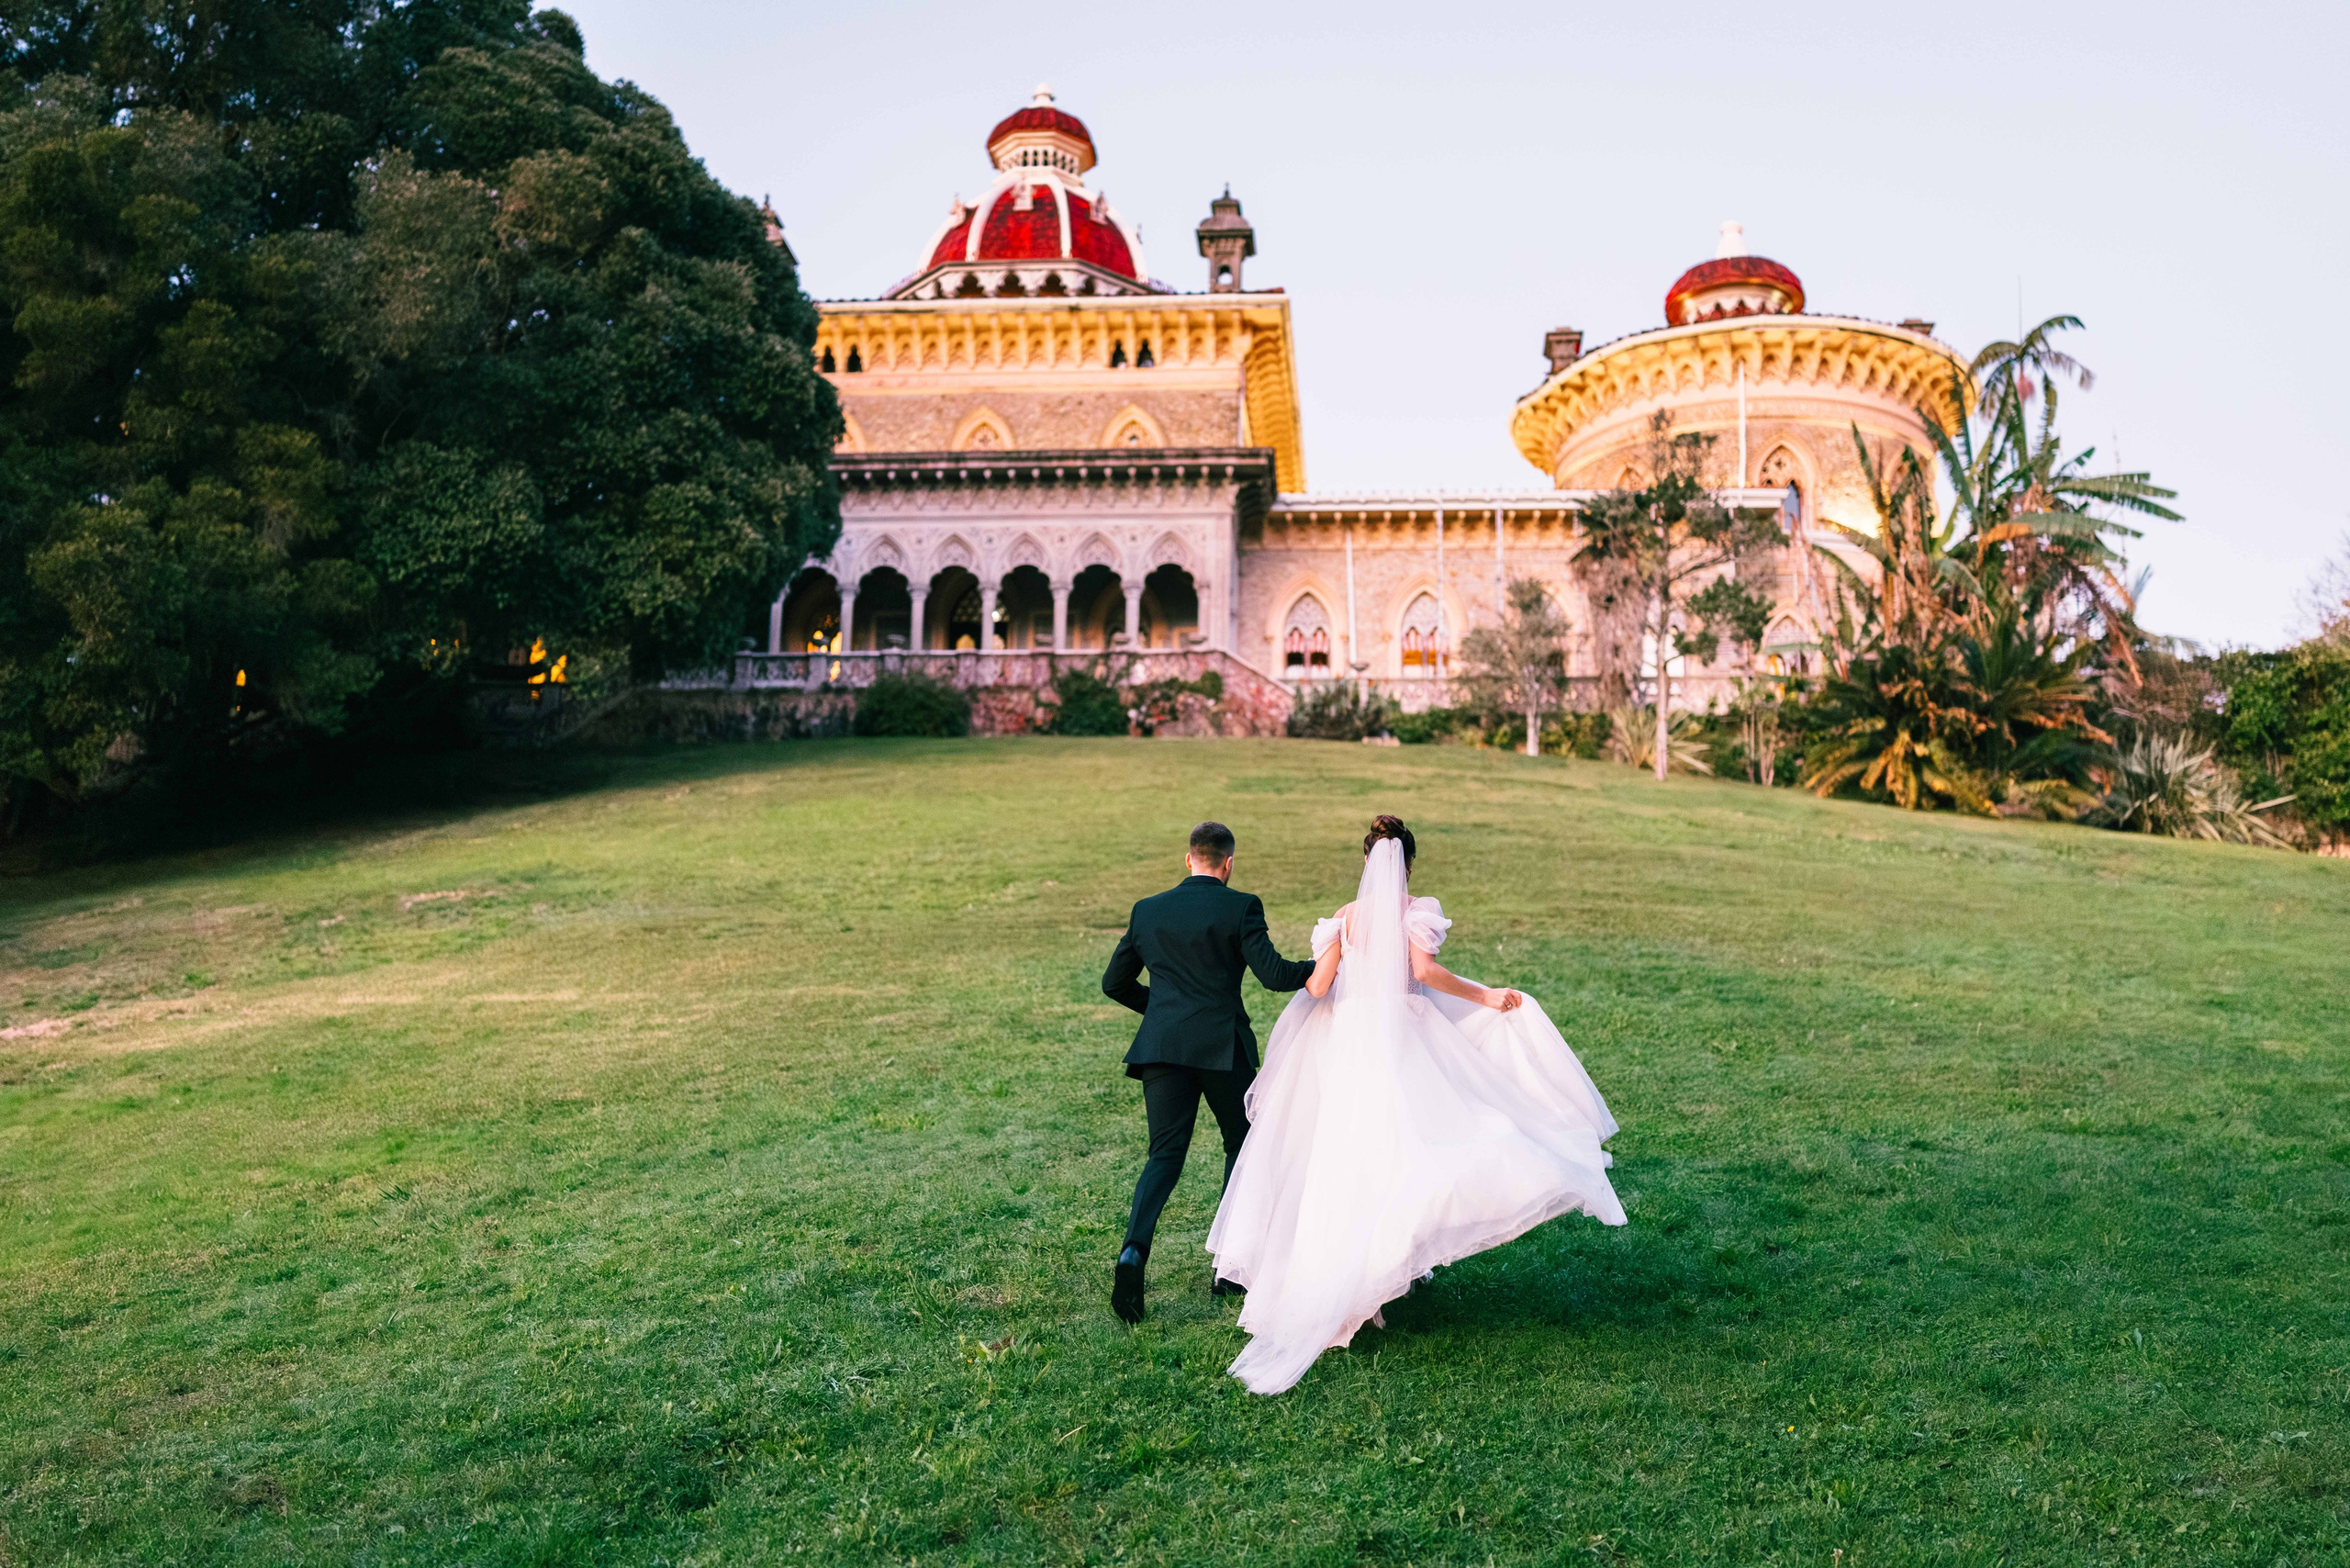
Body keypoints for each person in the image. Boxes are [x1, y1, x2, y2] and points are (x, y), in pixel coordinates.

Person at [1205, 814, 1626, 1394]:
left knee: (1345, 1158)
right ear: (1407, 863)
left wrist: (1342, 971)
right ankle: (1383, 1266)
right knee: (1426, 1139)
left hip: (1346, 1043)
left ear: (1367, 862)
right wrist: (1487, 995)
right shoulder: (1415, 912)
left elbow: (1319, 989)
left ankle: (1353, 1279)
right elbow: (1424, 971)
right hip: (1399, 1036)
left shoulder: (1345, 920)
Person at [1101, 821, 1315, 1325]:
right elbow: (1275, 975)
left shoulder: (1147, 910)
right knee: (1241, 1148)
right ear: (1228, 863)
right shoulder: (1240, 906)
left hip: (1162, 1049)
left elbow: (1115, 982)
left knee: (1164, 1155)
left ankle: (1133, 1252)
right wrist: (1327, 962)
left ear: (1188, 859)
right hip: (1222, 1048)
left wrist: (1164, 1012)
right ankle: (1229, 1269)